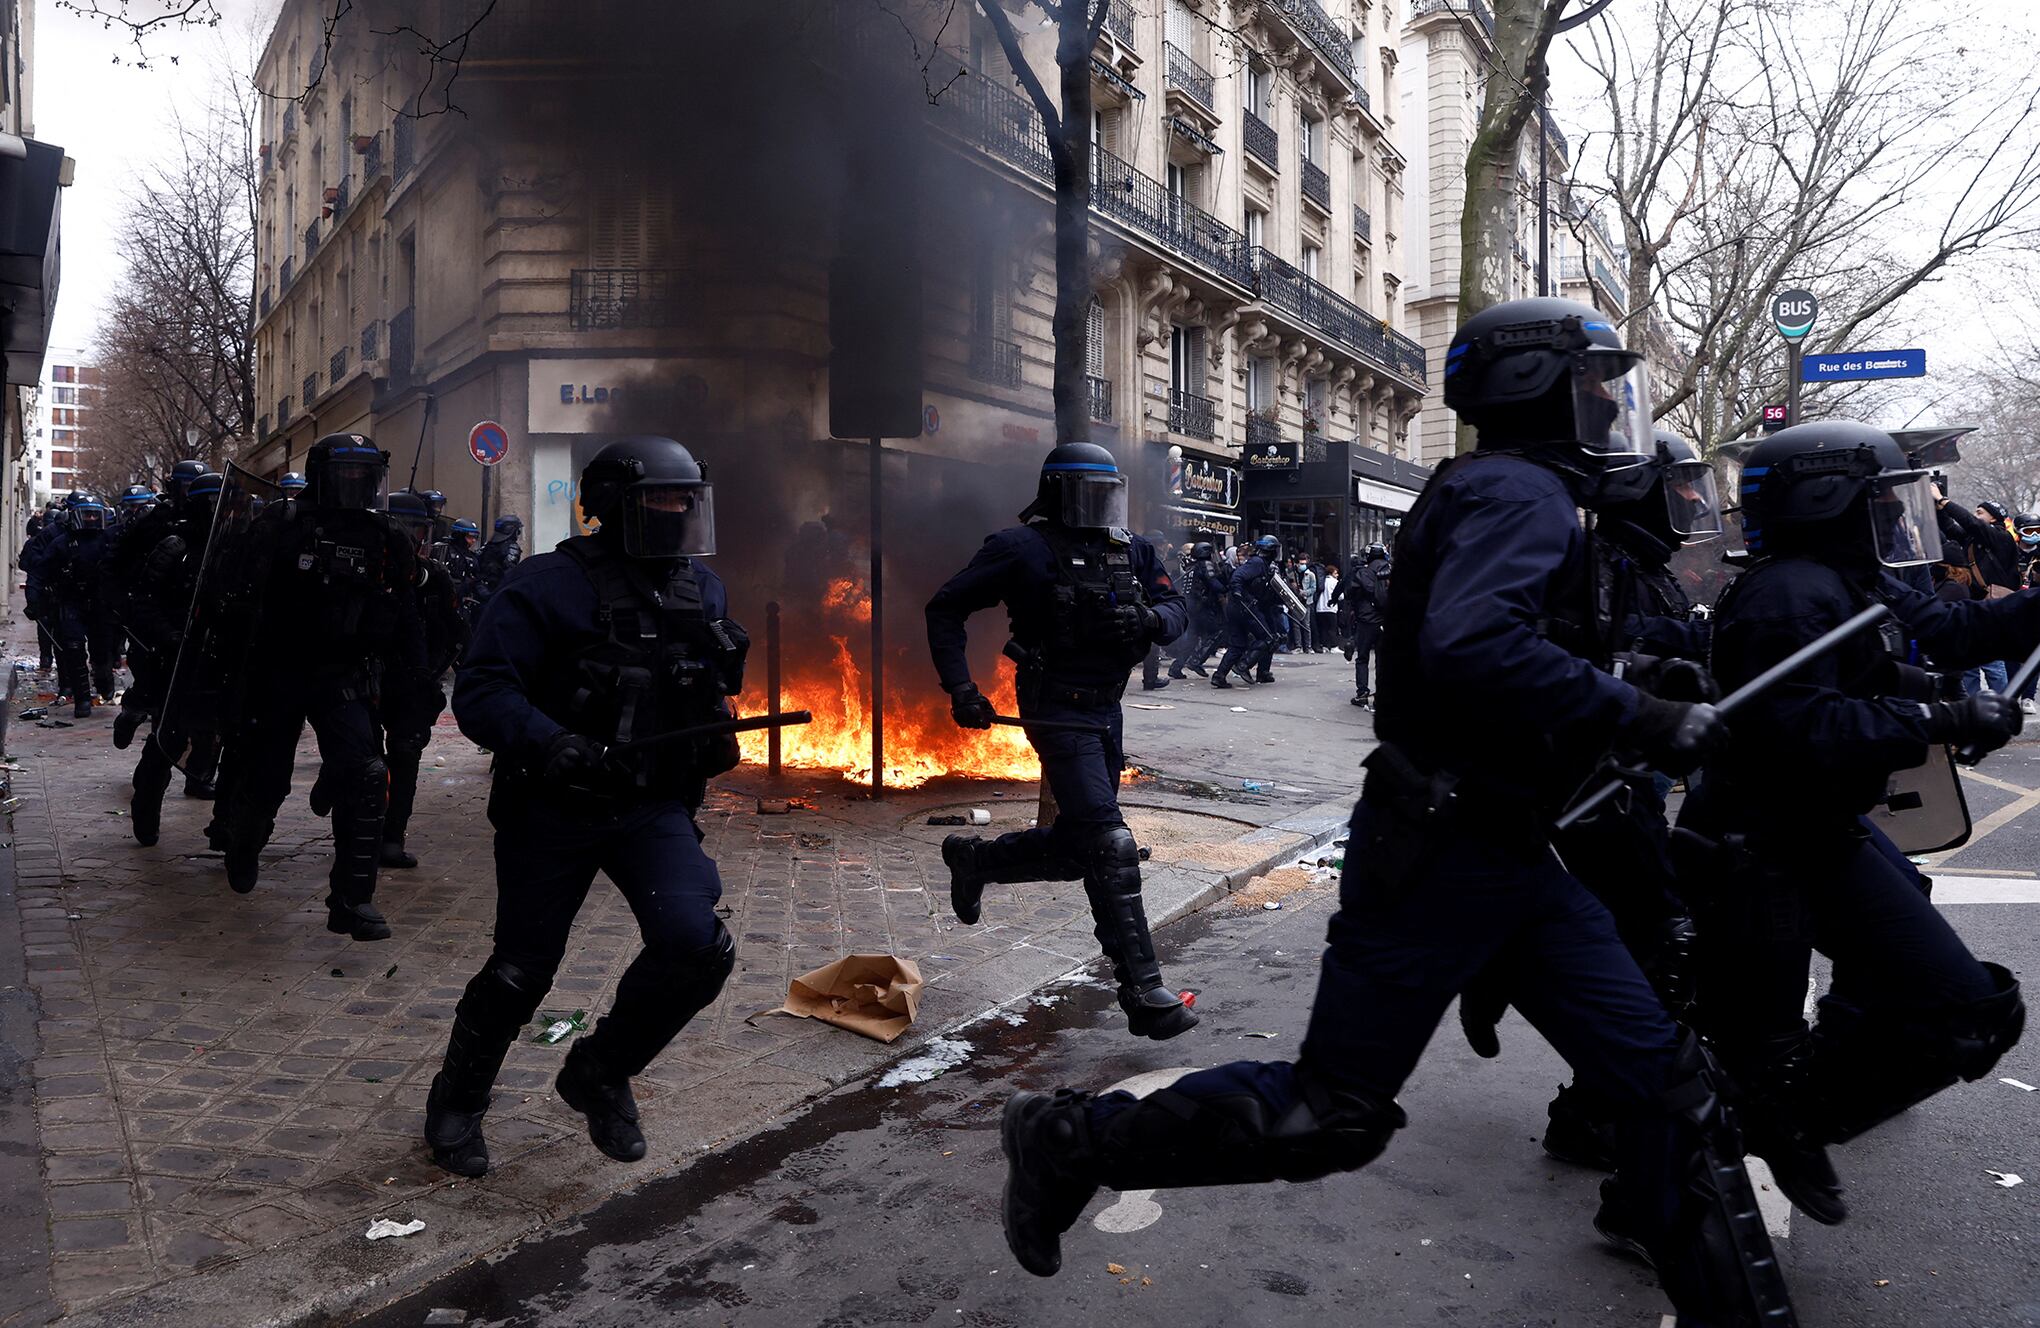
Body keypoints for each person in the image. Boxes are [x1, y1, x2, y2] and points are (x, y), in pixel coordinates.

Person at [996, 296, 1795, 1327]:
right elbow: (1470, 646)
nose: (1612, 406)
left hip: (1509, 846)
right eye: (1596, 384)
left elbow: (1488, 649)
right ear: (1534, 388)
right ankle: (1072, 1140)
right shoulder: (1520, 493)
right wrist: (1638, 710)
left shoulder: (1523, 492)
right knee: (1332, 1112)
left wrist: (1634, 669)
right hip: (1444, 850)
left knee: (1668, 1087)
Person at [1677, 419, 2032, 1229]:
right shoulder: (1789, 593)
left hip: (1822, 832)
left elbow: (1955, 633)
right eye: (1881, 500)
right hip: (1760, 850)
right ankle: (1685, 1174)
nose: (1901, 518)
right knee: (1759, 1061)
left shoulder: (1849, 575)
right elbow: (1793, 730)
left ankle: (1785, 1124)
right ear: (1827, 499)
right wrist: (1937, 717)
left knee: (1973, 1010)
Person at [425, 436, 746, 1178]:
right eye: (661, 500)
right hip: (554, 804)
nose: (678, 513)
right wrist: (551, 741)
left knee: (697, 946)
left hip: (648, 806)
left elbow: (699, 686)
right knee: (521, 970)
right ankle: (458, 1097)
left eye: (685, 499)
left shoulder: (705, 592)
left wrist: (712, 731)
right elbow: (481, 691)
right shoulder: (545, 586)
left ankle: (599, 1072)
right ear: (613, 508)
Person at [926, 442, 1197, 1042]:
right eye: (1088, 496)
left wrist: (1152, 621)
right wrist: (961, 688)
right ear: (1056, 494)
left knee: (1082, 848)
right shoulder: (1021, 548)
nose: (1100, 509)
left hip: (1106, 710)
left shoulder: (1132, 549)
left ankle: (976, 859)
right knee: (1110, 843)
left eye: (1109, 496)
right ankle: (1144, 991)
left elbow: (1178, 606)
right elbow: (946, 608)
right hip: (1055, 707)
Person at [213, 434, 426, 937]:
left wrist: (414, 685)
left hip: (343, 675)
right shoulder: (282, 523)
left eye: (363, 475)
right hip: (278, 672)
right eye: (345, 474)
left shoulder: (384, 534)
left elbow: (407, 614)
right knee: (268, 780)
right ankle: (245, 840)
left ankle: (351, 900)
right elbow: (233, 596)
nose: (355, 484)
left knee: (367, 775)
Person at [114, 471, 228, 844]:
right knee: (169, 738)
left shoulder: (238, 549)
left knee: (223, 737)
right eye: (210, 504)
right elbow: (143, 603)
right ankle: (146, 805)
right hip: (177, 658)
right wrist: (170, 637)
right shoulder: (174, 547)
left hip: (220, 658)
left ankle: (228, 822)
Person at [375, 491, 469, 869]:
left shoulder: (433, 579)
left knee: (405, 757)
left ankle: (392, 837)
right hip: (367, 677)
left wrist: (430, 674)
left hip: (412, 683)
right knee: (360, 759)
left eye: (415, 529)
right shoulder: (368, 572)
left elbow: (456, 635)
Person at [41, 492, 124, 718]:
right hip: (72, 602)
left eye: (93, 515)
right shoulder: (62, 543)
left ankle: (104, 682)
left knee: (100, 652)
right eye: (85, 515)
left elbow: (121, 570)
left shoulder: (109, 540)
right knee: (74, 651)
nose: (90, 520)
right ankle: (82, 699)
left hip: (100, 604)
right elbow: (44, 571)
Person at [1212, 535, 1280, 688]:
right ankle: (1244, 665)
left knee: (1237, 644)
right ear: (1270, 551)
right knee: (1268, 638)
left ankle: (1219, 676)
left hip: (1237, 607)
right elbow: (1238, 577)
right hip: (1245, 607)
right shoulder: (1257, 563)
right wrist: (1238, 592)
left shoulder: (1262, 564)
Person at [1336, 545, 1389, 708]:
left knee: (1363, 658)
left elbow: (1350, 593)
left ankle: (1363, 693)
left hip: (1367, 620)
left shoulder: (1363, 573)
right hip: (1386, 620)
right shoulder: (1392, 571)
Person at [1168, 541, 1228, 679]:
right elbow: (1214, 583)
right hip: (1202, 606)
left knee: (1193, 638)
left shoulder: (1191, 566)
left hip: (1190, 606)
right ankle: (1196, 660)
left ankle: (1176, 667)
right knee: (1217, 632)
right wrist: (1225, 588)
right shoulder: (1205, 565)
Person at [20, 504, 59, 673]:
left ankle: (46, 659)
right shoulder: (60, 541)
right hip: (49, 590)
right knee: (54, 627)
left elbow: (24, 564)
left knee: (46, 626)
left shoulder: (35, 542)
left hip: (44, 590)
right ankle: (51, 659)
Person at [473, 514, 524, 607]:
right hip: (498, 593)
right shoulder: (511, 547)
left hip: (481, 591)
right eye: (517, 530)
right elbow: (510, 574)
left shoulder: (487, 545)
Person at [1313, 560, 1339, 653]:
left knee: (1323, 628)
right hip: (1330, 608)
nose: (1337, 575)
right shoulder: (1334, 582)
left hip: (1320, 608)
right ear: (1331, 573)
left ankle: (1324, 646)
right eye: (1335, 573)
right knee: (1332, 628)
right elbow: (1340, 596)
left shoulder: (1322, 581)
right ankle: (1334, 646)